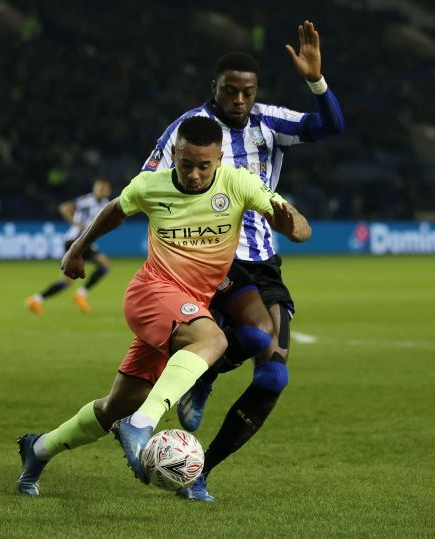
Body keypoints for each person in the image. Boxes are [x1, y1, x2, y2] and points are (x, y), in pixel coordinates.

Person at [15, 116, 311, 496]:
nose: (193, 174)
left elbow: (300, 227)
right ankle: (141, 424)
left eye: (204, 165)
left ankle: (38, 449)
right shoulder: (151, 185)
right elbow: (115, 211)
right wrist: (77, 249)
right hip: (153, 293)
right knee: (213, 340)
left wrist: (293, 228)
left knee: (113, 408)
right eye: (186, 163)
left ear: (220, 158)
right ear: (174, 154)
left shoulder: (238, 183)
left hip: (188, 305)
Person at [141, 20, 345, 501]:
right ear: (213, 88)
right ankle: (204, 372)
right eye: (229, 91)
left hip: (265, 263)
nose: (238, 100)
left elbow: (331, 125)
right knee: (254, 335)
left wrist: (316, 80)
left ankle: (199, 470)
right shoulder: (187, 130)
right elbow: (148, 185)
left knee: (275, 374)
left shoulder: (269, 122)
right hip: (214, 258)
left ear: (255, 93)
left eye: (246, 92)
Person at [24, 178, 112, 315]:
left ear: (108, 191)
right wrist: (76, 224)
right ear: (94, 189)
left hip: (84, 241)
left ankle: (36, 300)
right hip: (75, 240)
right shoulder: (87, 200)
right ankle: (81, 294)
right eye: (99, 188)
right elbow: (64, 207)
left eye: (104, 188)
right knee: (104, 265)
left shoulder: (106, 204)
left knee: (67, 281)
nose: (102, 190)